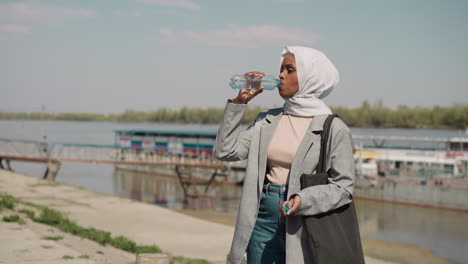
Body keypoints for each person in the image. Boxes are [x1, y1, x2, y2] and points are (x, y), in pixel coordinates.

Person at [215, 46, 358, 264]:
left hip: (305, 221)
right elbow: (226, 151)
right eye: (281, 69)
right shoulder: (267, 120)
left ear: (311, 78)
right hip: (262, 217)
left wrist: (304, 199)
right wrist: (240, 103)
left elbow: (344, 187)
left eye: (290, 70)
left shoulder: (334, 128)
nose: (281, 75)